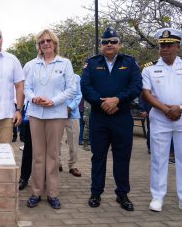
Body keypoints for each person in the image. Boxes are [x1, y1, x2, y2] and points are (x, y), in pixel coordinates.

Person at [81, 27, 142, 211]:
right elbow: (86, 86)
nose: (109, 44)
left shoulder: (130, 63)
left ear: (119, 44)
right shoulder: (92, 63)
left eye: (113, 41)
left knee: (122, 157)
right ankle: (95, 193)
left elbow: (136, 86)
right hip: (99, 117)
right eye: (105, 42)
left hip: (122, 117)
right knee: (98, 156)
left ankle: (122, 194)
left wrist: (117, 99)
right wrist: (102, 104)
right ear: (101, 45)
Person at [24, 29, 76, 209]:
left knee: (52, 155)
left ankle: (52, 193)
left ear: (54, 43)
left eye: (49, 41)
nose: (45, 44)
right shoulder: (33, 64)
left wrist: (52, 101)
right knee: (38, 155)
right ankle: (36, 192)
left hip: (56, 114)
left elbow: (71, 89)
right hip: (36, 114)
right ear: (39, 46)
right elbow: (26, 87)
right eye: (42, 42)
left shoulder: (65, 63)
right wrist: (33, 98)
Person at [142, 28, 182, 212]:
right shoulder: (150, 68)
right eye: (162, 45)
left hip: (181, 117)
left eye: (169, 45)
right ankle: (157, 197)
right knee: (159, 159)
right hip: (160, 119)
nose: (165, 49)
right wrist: (167, 109)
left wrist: (179, 108)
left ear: (178, 47)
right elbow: (146, 94)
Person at [18, 58, 36, 190]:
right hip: (32, 113)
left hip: (51, 113)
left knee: (48, 151)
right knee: (28, 148)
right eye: (42, 43)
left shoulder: (61, 63)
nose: (45, 45)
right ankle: (24, 177)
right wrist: (20, 109)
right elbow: (22, 88)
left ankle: (44, 179)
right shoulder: (29, 64)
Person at [59, 73, 82, 177]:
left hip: (73, 114)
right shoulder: (55, 76)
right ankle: (56, 162)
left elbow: (79, 95)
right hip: (57, 113)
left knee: (74, 141)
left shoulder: (76, 77)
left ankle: (73, 165)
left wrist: (69, 107)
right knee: (55, 141)